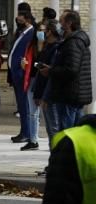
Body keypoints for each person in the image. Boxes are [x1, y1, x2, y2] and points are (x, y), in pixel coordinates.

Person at [45, 11, 93, 134]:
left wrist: (50, 71)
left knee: (67, 133)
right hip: (74, 95)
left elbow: (71, 69)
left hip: (69, 95)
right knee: (76, 132)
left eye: (61, 22)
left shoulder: (73, 42)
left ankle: (68, 153)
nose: (59, 26)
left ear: (69, 23)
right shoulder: (75, 40)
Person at [10, 10, 40, 147]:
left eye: (20, 18)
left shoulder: (32, 33)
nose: (17, 20)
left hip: (23, 75)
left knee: (25, 106)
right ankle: (24, 131)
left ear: (27, 19)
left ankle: (27, 133)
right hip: (17, 74)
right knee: (21, 106)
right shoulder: (23, 33)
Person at [36, 19, 66, 149]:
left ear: (51, 32)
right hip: (44, 92)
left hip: (51, 95)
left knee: (54, 129)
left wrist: (46, 96)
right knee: (50, 129)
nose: (43, 33)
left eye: (45, 31)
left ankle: (56, 162)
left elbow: (52, 74)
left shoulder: (57, 48)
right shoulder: (47, 46)